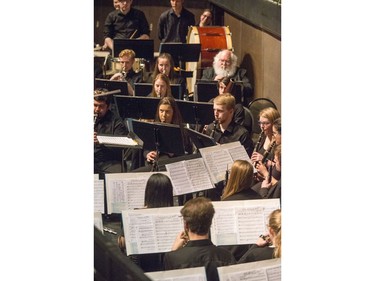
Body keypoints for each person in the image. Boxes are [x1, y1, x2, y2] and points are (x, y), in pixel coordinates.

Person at [164, 197, 236, 281]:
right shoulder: (226, 256)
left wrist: (174, 252)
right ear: (210, 223)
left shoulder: (172, 258)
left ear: (186, 225)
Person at [117, 173, 175, 272]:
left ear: (148, 192)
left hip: (141, 270)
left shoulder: (134, 215)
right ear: (169, 193)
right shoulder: (177, 216)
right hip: (170, 268)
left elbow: (122, 244)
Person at [144, 96, 192, 165]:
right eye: (161, 111)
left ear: (173, 113)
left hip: (172, 164)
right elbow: (146, 148)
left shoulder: (181, 130)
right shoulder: (153, 126)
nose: (163, 115)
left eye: (167, 112)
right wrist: (148, 154)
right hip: (154, 163)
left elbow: (186, 152)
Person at [94, 89, 129, 175]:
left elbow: (121, 147)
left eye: (101, 106)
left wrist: (101, 141)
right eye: (95, 105)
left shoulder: (116, 122)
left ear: (108, 106)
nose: (97, 109)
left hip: (108, 160)